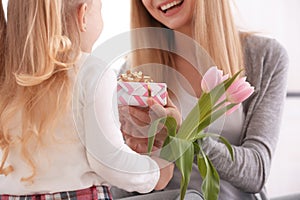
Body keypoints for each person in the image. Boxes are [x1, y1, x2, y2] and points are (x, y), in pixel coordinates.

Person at [114, 0, 289, 200]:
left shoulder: (264, 57)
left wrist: (183, 134)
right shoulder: (134, 73)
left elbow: (256, 173)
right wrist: (131, 155)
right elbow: (122, 191)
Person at [0, 0, 174, 199]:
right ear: (83, 15)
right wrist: (156, 172)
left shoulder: (6, 80)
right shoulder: (92, 71)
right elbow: (109, 161)